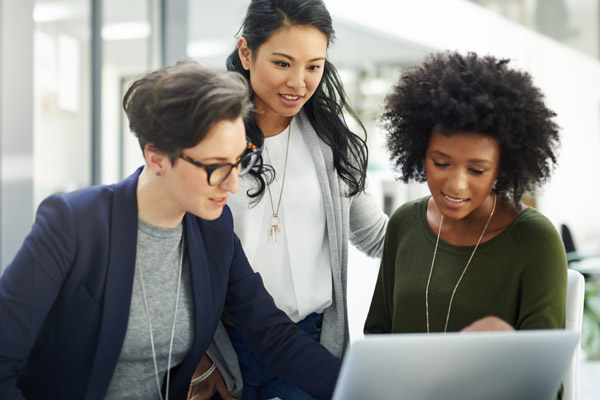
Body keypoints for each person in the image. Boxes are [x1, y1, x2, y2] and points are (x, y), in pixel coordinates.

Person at [0, 60, 341, 400]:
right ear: (157, 158)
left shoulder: (213, 228)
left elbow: (270, 333)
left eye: (240, 161)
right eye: (217, 166)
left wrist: (362, 388)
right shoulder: (74, 223)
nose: (234, 184)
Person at [189, 0, 388, 399]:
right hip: (226, 349)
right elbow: (176, 253)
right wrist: (198, 357)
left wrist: (460, 222)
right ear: (246, 52)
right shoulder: (207, 138)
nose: (299, 82)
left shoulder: (333, 144)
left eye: (313, 66)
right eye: (282, 63)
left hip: (309, 345)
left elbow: (377, 236)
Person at [364, 51, 566, 337]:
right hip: (401, 383)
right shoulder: (404, 223)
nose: (456, 185)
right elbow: (378, 334)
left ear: (502, 167)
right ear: (420, 152)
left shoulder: (534, 239)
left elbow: (542, 371)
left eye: (477, 170)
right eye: (441, 163)